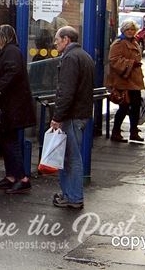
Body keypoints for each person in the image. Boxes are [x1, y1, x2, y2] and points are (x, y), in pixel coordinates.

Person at [0, 24, 36, 194]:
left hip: (14, 106)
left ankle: (22, 178)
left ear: (4, 37)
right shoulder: (8, 52)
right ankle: (11, 177)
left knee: (11, 142)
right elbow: (4, 74)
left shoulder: (11, 51)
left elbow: (13, 74)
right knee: (7, 142)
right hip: (9, 105)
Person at [49, 26, 94, 209]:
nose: (55, 43)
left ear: (66, 39)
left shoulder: (70, 58)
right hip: (80, 113)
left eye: (57, 40)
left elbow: (66, 92)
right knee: (69, 157)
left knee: (71, 158)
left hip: (72, 116)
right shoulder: (84, 55)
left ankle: (74, 197)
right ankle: (69, 193)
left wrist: (57, 117)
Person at [107, 20, 145, 143]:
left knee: (135, 107)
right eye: (128, 29)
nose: (130, 32)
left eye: (133, 30)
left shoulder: (134, 41)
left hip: (134, 81)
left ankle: (133, 131)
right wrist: (130, 64)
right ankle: (116, 132)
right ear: (123, 30)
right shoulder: (118, 43)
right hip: (123, 81)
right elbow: (113, 60)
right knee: (123, 108)